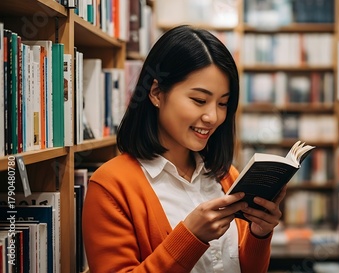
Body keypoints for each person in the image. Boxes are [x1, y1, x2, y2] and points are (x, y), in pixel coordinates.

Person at [82, 25, 285, 273]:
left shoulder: (226, 176)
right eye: (199, 100)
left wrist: (259, 234)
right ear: (156, 93)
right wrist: (190, 237)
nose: (213, 116)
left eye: (223, 103)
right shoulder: (111, 186)